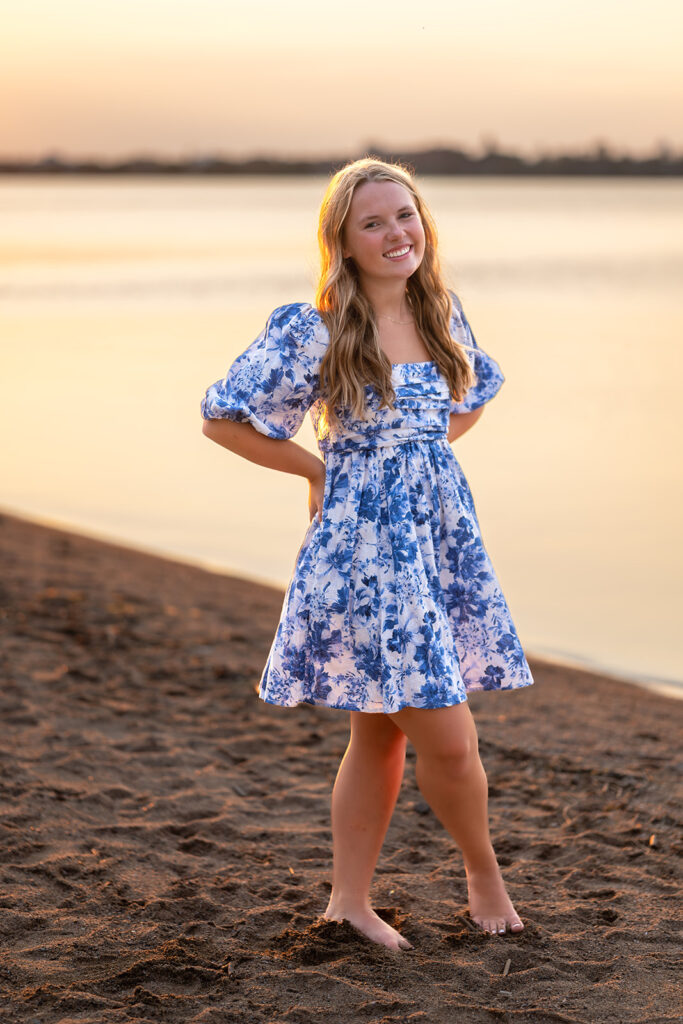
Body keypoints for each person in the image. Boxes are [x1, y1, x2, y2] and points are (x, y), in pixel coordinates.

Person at [201, 157, 535, 951]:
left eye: (405, 215)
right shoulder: (309, 327)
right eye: (373, 223)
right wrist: (321, 469)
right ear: (343, 242)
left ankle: (348, 900)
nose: (396, 234)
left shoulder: (443, 311)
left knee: (380, 731)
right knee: (448, 738)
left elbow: (473, 397)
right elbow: (224, 418)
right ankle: (482, 874)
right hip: (361, 555)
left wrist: (422, 460)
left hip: (437, 546)